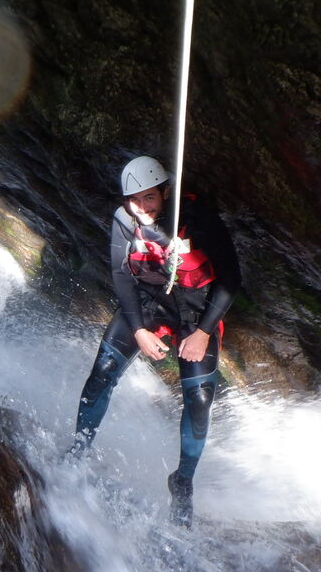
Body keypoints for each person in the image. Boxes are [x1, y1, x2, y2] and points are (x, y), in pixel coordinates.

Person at [68, 155, 241, 527]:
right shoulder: (123, 220)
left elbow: (230, 280)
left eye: (149, 198)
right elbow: (121, 276)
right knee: (103, 370)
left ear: (165, 193)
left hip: (195, 314)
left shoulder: (198, 219)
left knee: (198, 401)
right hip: (147, 306)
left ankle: (182, 482)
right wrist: (139, 330)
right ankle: (79, 450)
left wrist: (203, 332)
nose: (141, 208)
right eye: (134, 200)